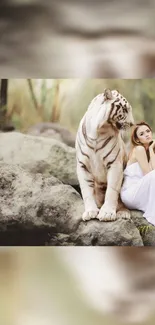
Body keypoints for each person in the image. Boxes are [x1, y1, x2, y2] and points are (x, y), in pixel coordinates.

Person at [120, 121, 155, 226]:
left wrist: (151, 151)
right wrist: (151, 150)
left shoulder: (148, 151)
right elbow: (149, 174)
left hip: (141, 191)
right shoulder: (138, 149)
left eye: (148, 131)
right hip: (130, 193)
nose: (146, 134)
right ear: (137, 139)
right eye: (142, 134)